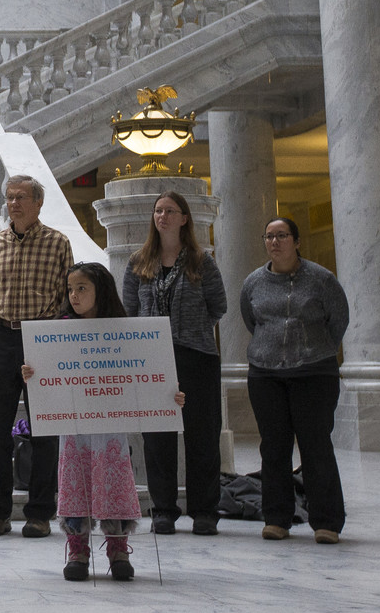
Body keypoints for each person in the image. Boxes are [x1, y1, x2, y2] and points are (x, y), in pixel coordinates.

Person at [22, 262, 185, 581]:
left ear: (101, 290)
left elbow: (145, 373)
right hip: (75, 426)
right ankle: (78, 549)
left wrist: (167, 397)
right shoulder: (60, 331)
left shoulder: (122, 329)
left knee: (113, 480)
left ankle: (118, 549)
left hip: (110, 425)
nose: (74, 295)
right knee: (74, 480)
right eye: (70, 289)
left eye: (82, 288)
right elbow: (49, 376)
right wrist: (33, 373)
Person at [122, 190, 227, 536]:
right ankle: (163, 509)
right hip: (152, 359)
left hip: (196, 356)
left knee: (202, 436)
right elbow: (130, 311)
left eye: (169, 211)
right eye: (157, 211)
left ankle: (204, 511)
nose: (162, 216)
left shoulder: (202, 260)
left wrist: (188, 329)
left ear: (184, 218)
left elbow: (219, 306)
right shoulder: (139, 262)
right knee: (157, 438)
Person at [241, 217, 350, 544]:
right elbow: (252, 320)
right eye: (270, 236)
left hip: (314, 372)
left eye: (283, 235)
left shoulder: (321, 279)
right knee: (273, 447)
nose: (275, 242)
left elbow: (338, 320)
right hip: (265, 374)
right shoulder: (254, 282)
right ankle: (277, 518)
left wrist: (313, 349)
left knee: (315, 446)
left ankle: (327, 521)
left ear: (297, 241)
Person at [0, 174, 73, 539]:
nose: (14, 203)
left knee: (45, 431)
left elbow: (66, 295)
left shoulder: (57, 243)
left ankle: (39, 513)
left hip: (43, 337)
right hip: (2, 336)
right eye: (10, 197)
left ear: (38, 203)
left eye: (21, 197)